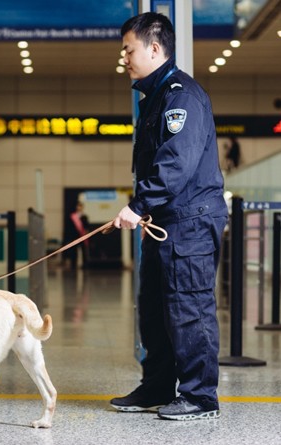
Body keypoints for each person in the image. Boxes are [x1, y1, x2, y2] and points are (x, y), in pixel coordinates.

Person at [110, 12, 228, 421]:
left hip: (190, 223)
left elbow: (175, 163)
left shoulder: (182, 96)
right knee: (155, 308)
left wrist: (139, 204)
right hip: (166, 224)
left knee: (188, 307)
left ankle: (200, 397)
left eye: (129, 49)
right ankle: (158, 386)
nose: (124, 57)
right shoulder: (156, 98)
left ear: (154, 48)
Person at [63, 201, 89, 269]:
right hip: (74, 236)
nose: (79, 207)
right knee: (74, 251)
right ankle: (73, 265)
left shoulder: (84, 217)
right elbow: (69, 227)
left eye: (81, 206)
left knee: (83, 251)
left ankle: (85, 265)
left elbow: (86, 227)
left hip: (82, 236)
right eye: (78, 206)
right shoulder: (72, 216)